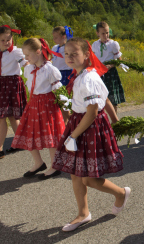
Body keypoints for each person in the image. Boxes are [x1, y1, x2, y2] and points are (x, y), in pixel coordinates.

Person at [52, 38, 129, 232]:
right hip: (79, 123)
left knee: (88, 178)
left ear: (86, 55)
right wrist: (115, 119)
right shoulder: (82, 74)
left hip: (89, 127)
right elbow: (106, 99)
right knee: (75, 173)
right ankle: (83, 213)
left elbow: (93, 111)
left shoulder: (89, 78)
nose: (69, 57)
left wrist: (73, 136)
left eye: (74, 53)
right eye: (67, 54)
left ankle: (120, 193)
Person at [11, 38, 65, 180]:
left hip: (47, 105)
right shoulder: (28, 69)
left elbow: (58, 91)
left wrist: (65, 107)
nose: (26, 58)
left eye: (28, 55)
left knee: (50, 136)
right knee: (28, 134)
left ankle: (54, 166)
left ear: (38, 51)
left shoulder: (50, 69)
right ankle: (38, 162)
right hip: (33, 103)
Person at [0, 25, 28, 159]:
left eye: (8, 40)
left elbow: (26, 64)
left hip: (12, 84)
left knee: (12, 116)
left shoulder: (16, 52)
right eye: (2, 40)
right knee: (2, 117)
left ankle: (19, 142)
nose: (6, 43)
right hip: (1, 85)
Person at [91, 21, 124, 122]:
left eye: (107, 32)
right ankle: (103, 121)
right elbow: (93, 59)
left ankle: (114, 121)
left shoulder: (113, 44)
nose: (106, 35)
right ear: (97, 33)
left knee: (112, 99)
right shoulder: (95, 45)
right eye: (103, 33)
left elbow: (119, 60)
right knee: (100, 98)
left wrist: (111, 65)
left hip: (110, 73)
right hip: (99, 73)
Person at [52, 26, 74, 124]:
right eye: (53, 37)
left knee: (65, 100)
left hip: (66, 74)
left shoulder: (67, 47)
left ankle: (70, 121)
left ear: (64, 36)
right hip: (56, 75)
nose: (54, 39)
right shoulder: (54, 48)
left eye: (56, 37)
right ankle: (64, 123)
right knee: (59, 101)